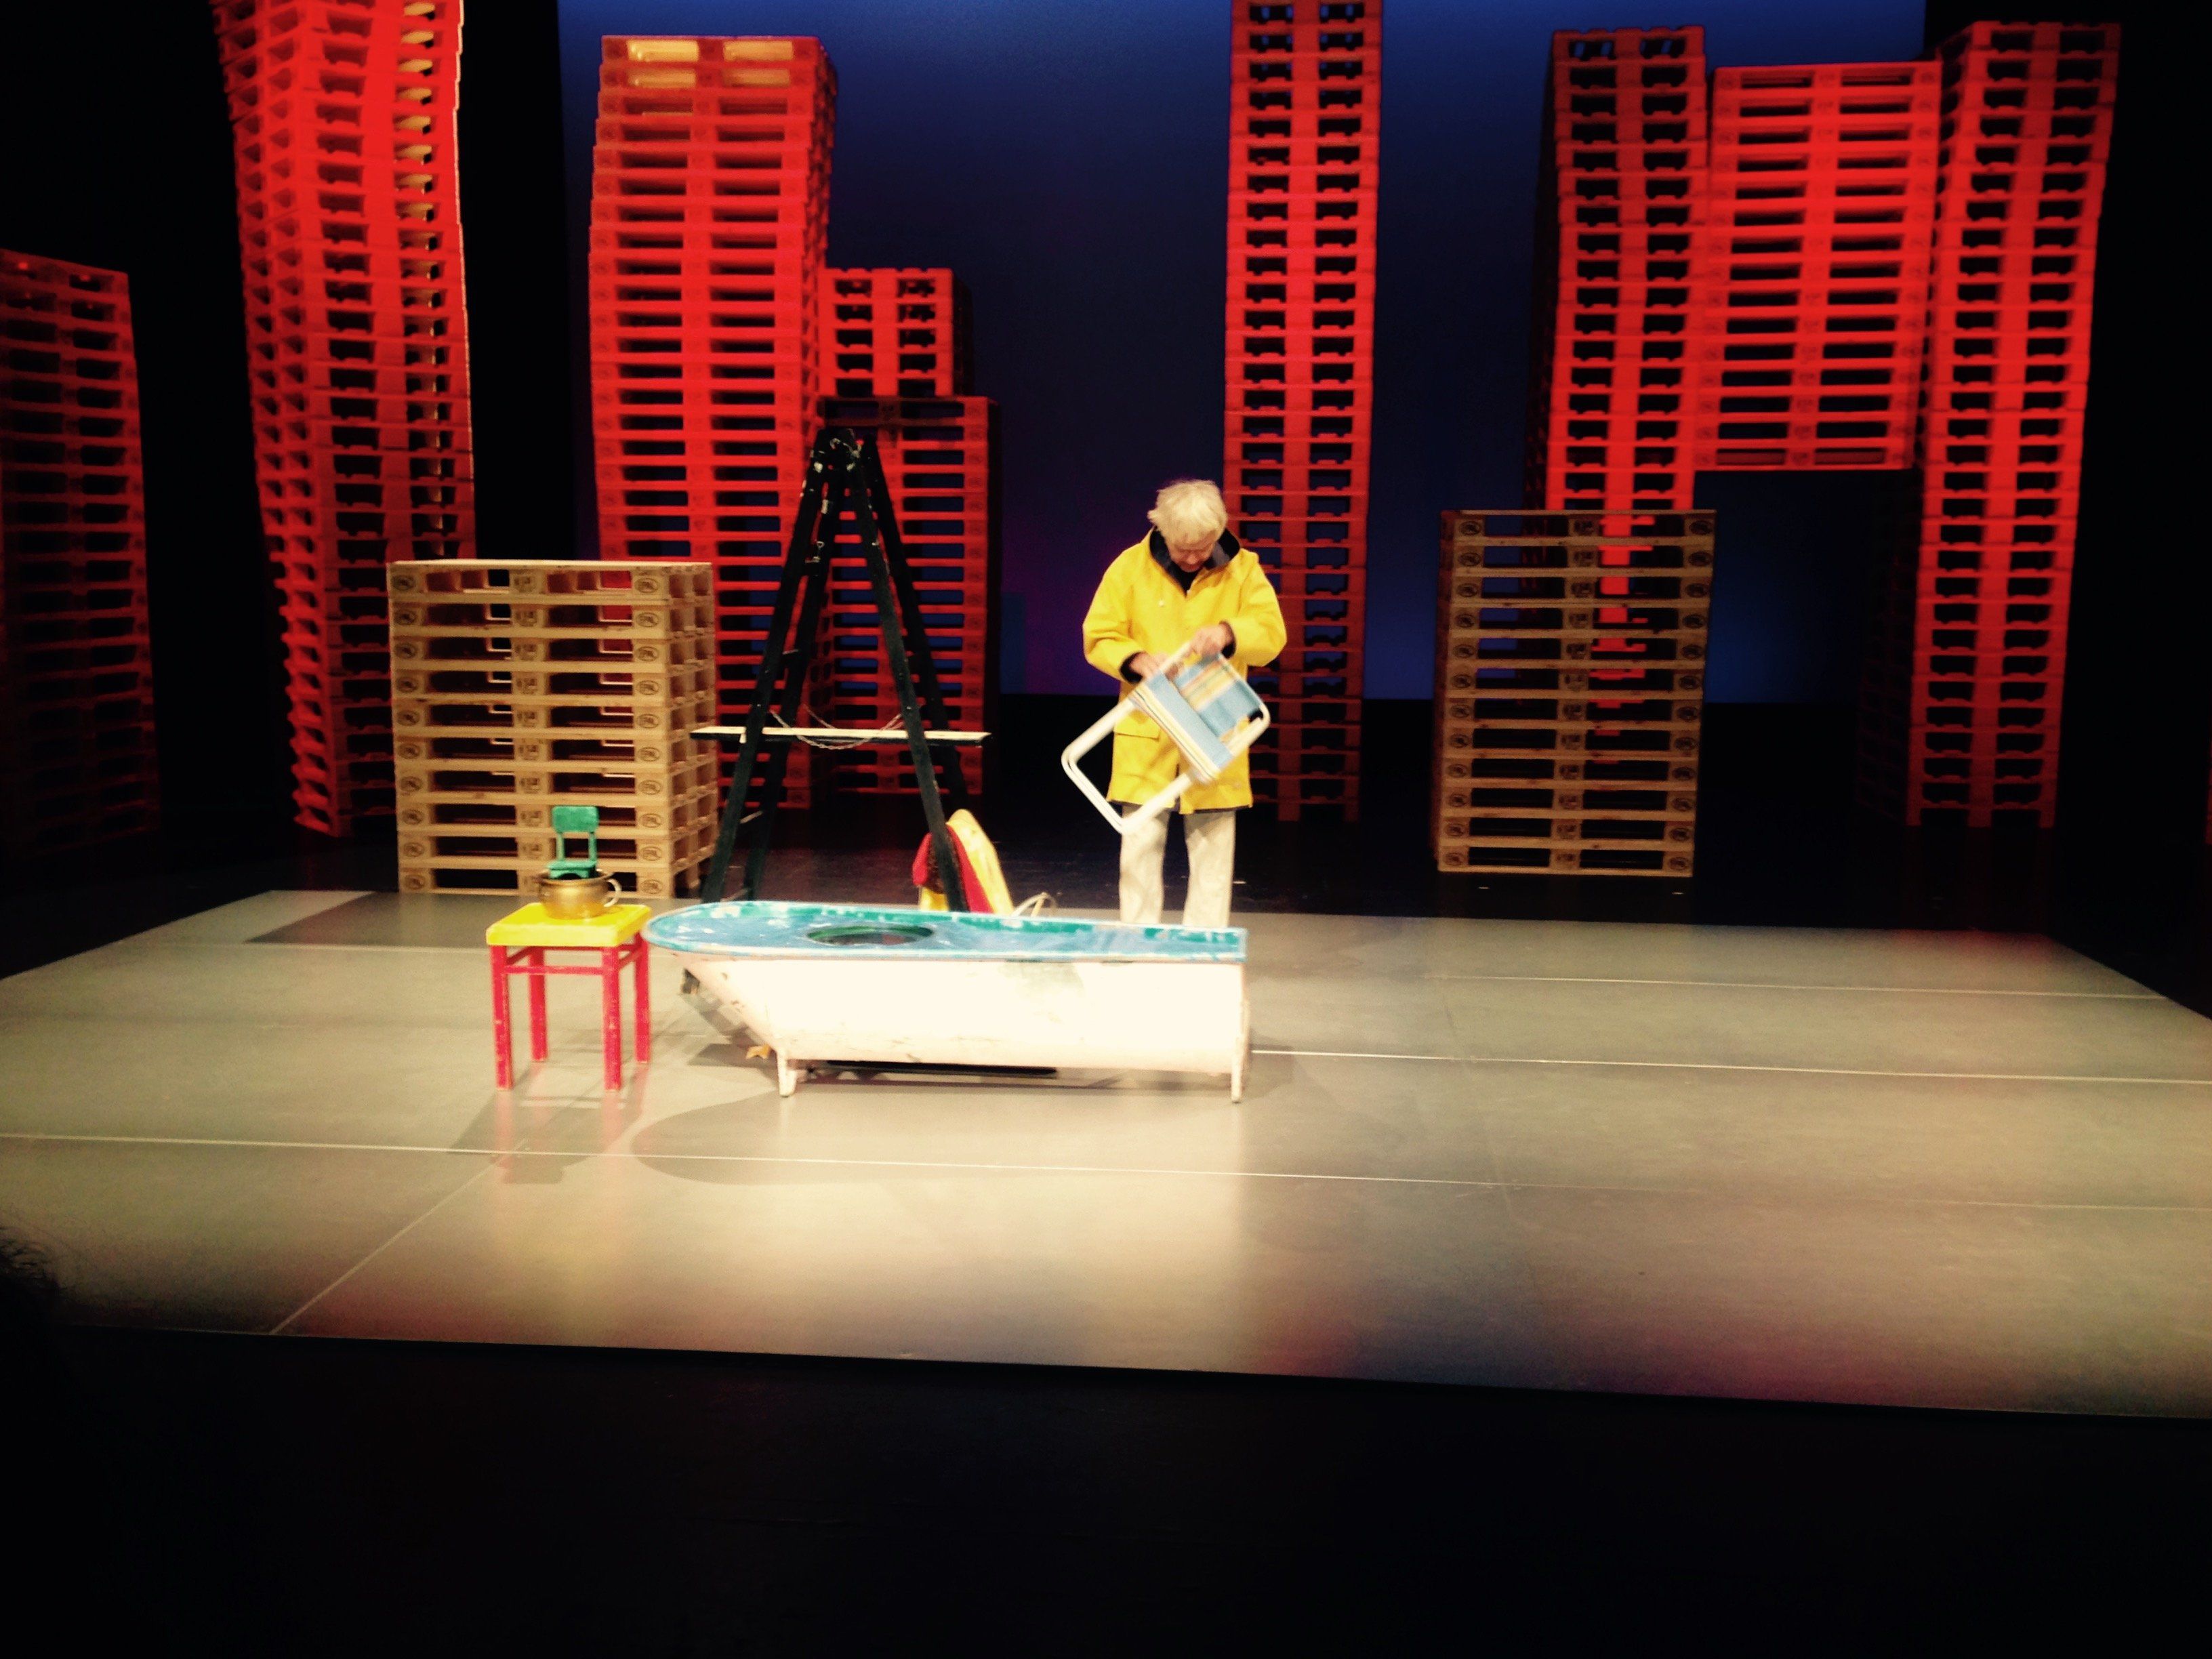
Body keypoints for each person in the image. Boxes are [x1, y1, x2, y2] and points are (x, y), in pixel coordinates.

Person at [1080, 478, 1286, 928]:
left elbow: (1272, 635)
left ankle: (1205, 948)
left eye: (1203, 547)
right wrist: (1136, 659)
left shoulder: (1244, 570)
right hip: (1148, 729)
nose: (1193, 558)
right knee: (1139, 848)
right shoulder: (1129, 568)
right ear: (1162, 531)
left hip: (1214, 726)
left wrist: (1230, 633)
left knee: (1213, 854)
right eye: (1182, 548)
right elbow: (1099, 636)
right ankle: (1138, 944)